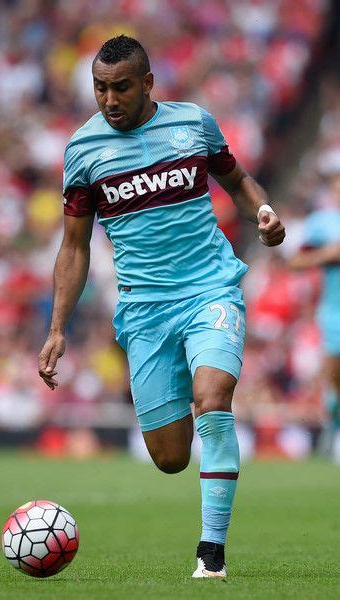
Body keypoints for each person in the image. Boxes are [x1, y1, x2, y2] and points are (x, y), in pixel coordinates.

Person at [38, 35, 286, 579]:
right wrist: (57, 327)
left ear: (148, 83)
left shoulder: (193, 123)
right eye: (100, 88)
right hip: (146, 312)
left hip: (210, 290)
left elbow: (238, 182)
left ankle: (211, 555)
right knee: (171, 457)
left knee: (213, 397)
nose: (109, 99)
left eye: (121, 87)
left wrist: (263, 213)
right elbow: (75, 247)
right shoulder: (82, 151)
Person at [288, 172, 340, 457]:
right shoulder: (322, 224)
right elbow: (295, 261)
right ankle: (332, 430)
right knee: (335, 379)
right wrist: (328, 254)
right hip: (335, 314)